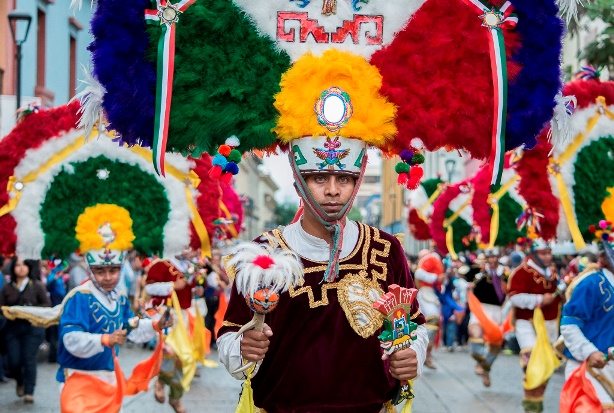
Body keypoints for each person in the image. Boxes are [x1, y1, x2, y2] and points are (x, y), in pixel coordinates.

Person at [217, 56, 429, 409]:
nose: (332, 190)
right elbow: (228, 335)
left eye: (343, 179)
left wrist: (413, 354)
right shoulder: (264, 254)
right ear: (300, 181)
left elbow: (414, 324)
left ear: (356, 181)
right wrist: (241, 347)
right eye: (319, 178)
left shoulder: (386, 248)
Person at [56, 206, 172, 412]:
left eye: (113, 270)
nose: (108, 277)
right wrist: (105, 339)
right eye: (100, 271)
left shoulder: (118, 298)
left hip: (108, 377)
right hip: (78, 379)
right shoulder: (80, 297)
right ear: (91, 270)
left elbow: (129, 324)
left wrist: (156, 324)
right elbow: (70, 338)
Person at [507, 239, 561, 413]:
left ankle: (536, 403)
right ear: (533, 254)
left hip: (549, 324)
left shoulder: (552, 271)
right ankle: (531, 406)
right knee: (531, 362)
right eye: (544, 253)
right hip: (527, 323)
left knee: (545, 365)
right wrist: (539, 300)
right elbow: (514, 297)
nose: (548, 257)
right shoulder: (521, 272)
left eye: (549, 253)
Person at [145, 257, 204, 413]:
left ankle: (174, 395)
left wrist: (195, 292)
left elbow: (186, 291)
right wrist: (171, 286)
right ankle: (163, 385)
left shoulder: (188, 265)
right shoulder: (161, 264)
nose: (191, 250)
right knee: (170, 352)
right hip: (166, 314)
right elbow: (149, 288)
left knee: (184, 357)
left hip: (184, 316)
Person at [560, 243, 614, 413]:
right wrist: (589, 352)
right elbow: (569, 325)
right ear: (604, 258)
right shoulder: (592, 283)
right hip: (586, 369)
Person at [0, 257, 51, 403]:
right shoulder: (7, 287)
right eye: (17, 265)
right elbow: (1, 306)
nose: (21, 268)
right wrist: (8, 312)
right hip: (13, 328)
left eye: (24, 265)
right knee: (14, 361)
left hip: (32, 328)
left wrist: (31, 309)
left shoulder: (36, 285)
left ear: (29, 267)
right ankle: (20, 381)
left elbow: (47, 305)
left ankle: (29, 391)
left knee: (29, 359)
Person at [468, 248, 509, 387]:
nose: (492, 260)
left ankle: (485, 369)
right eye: (489, 257)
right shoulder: (479, 273)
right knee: (475, 333)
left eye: (494, 257)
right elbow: (467, 284)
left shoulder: (506, 274)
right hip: (480, 309)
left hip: (497, 311)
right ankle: (479, 362)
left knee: (494, 344)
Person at [414, 248, 445, 369]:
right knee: (433, 320)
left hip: (430, 293)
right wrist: (436, 278)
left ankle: (426, 354)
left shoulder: (436, 260)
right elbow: (419, 274)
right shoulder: (432, 258)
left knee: (428, 324)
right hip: (426, 293)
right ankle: (423, 352)